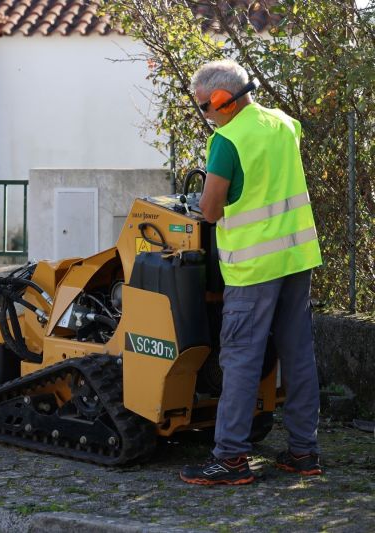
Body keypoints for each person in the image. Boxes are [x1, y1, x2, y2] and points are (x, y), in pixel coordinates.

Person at [179, 59, 324, 485]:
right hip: (297, 258)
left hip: (254, 266)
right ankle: (304, 452)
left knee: (240, 358)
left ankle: (230, 460)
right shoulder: (284, 123)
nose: (205, 115)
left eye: (204, 107)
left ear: (223, 100)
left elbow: (209, 209)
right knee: (298, 355)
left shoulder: (227, 140)